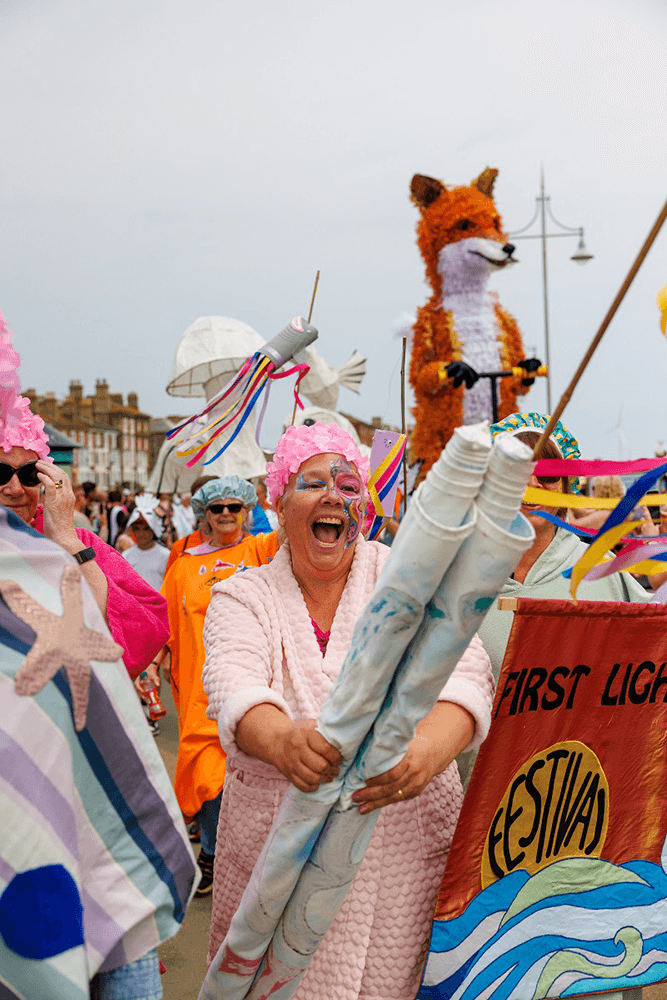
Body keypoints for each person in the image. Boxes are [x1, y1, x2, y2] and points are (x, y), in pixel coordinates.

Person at [201, 423, 494, 998]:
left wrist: (426, 751)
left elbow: (466, 672)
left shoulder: (414, 580)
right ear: (278, 502)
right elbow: (233, 683)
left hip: (401, 850)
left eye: (347, 485)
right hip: (278, 854)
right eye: (312, 484)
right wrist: (283, 741)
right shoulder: (242, 595)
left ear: (365, 505)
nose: (332, 496)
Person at [454, 411, 651, 789]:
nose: (531, 485)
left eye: (546, 475)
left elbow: (652, 645)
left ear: (565, 486)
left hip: (579, 798)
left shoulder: (601, 572)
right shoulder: (455, 582)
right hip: (476, 798)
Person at [160, 475, 279, 897]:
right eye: (217, 508)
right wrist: (154, 663)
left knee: (254, 774)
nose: (226, 514)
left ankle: (245, 861)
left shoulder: (262, 550)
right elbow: (163, 621)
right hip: (201, 692)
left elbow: (300, 533)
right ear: (204, 514)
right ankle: (212, 850)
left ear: (248, 510)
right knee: (210, 779)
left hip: (257, 685)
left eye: (235, 506)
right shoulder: (184, 564)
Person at [0, 405, 170, 680]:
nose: (15, 489)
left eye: (29, 474)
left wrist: (69, 543)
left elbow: (147, 632)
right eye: (0, 473)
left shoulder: (79, 541)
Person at [122, 498, 170, 592]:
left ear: (153, 529)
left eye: (146, 529)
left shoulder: (166, 555)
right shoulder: (126, 556)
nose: (141, 534)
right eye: (137, 529)